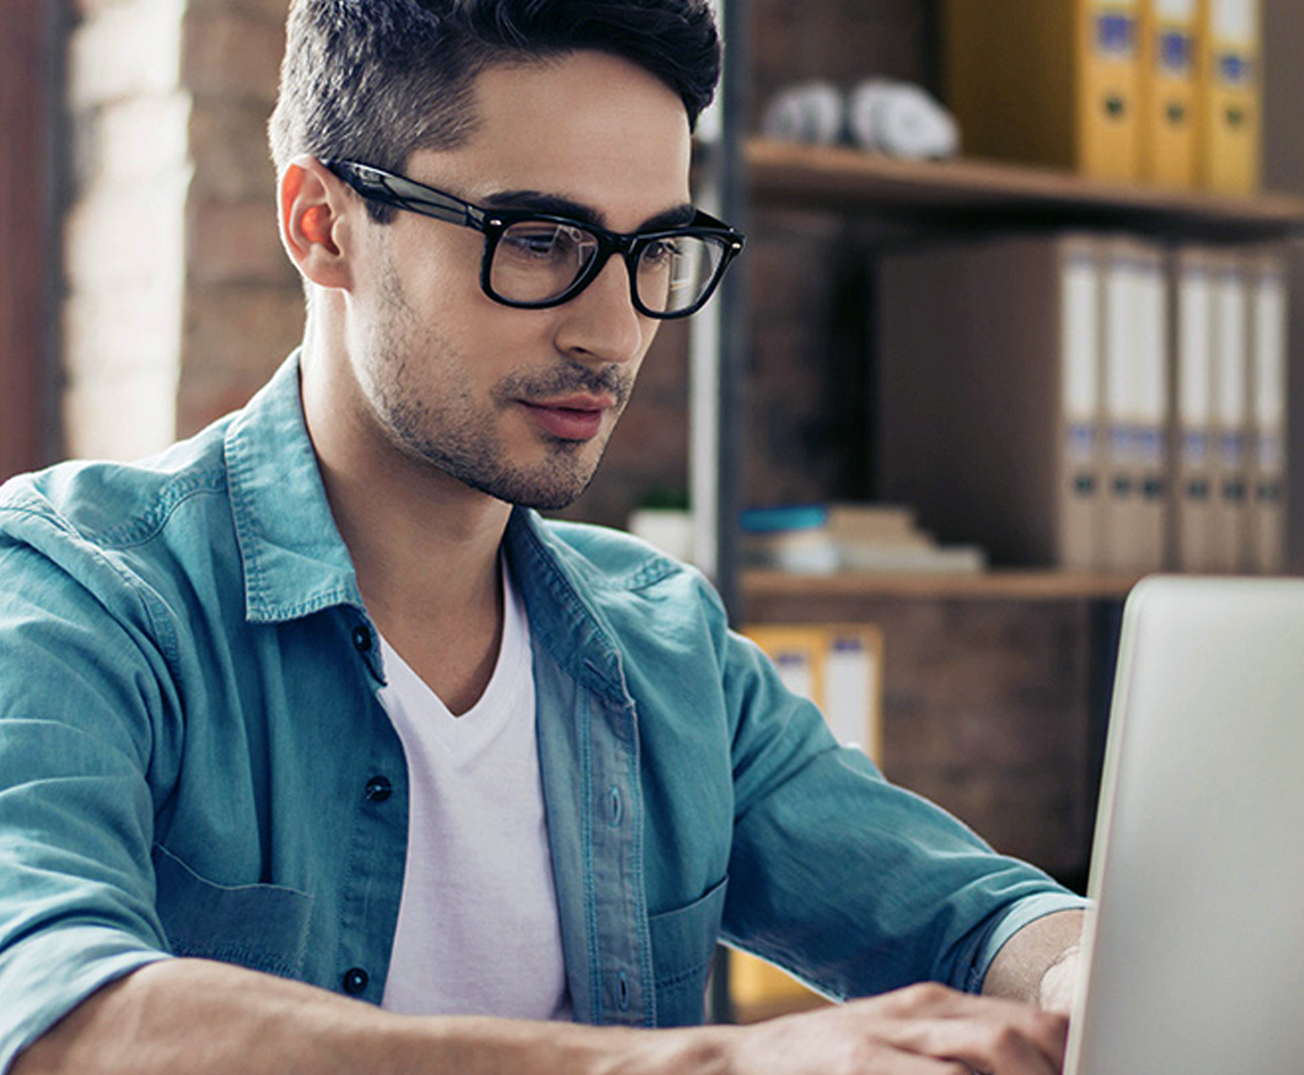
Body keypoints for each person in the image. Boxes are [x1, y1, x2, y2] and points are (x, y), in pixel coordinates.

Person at [0, 1, 1089, 1072]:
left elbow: (973, 918)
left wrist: (1074, 971)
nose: (612, 332)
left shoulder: (666, 648)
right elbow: (57, 1019)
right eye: (538, 239)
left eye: (654, 247)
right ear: (320, 225)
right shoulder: (77, 589)